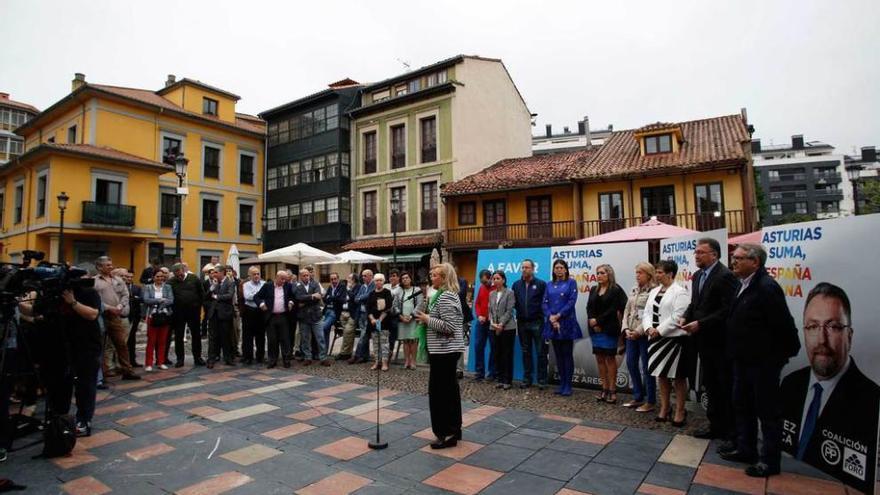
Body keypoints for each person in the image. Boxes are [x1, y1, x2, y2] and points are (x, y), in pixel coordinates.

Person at [780, 283, 878, 491]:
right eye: (813, 327)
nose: (821, 339)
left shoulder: (872, 400)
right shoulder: (790, 384)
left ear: (849, 335)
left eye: (833, 326)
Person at [720, 243, 799, 478]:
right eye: (733, 258)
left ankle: (769, 460)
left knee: (767, 411)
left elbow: (783, 324)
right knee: (742, 404)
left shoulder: (766, 287)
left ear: (755, 262)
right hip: (741, 359)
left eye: (739, 258)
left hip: (763, 361)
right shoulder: (742, 285)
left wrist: (778, 357)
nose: (733, 262)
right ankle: (746, 448)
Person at [680, 238, 739, 443]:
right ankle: (715, 426)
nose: (696, 256)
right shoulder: (697, 276)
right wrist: (686, 317)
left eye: (701, 252)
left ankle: (730, 431)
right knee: (711, 384)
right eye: (695, 252)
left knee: (723, 384)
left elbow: (728, 309)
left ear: (714, 254)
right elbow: (695, 303)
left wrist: (701, 323)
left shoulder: (725, 276)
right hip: (701, 341)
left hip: (719, 341)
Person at [414, 263, 467, 449]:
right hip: (440, 351)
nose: (431, 278)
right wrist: (425, 299)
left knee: (440, 394)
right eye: (431, 275)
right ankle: (453, 429)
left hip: (445, 351)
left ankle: (446, 433)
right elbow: (416, 313)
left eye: (435, 275)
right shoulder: (436, 296)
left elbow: (451, 327)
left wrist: (428, 319)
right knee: (448, 392)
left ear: (444, 278)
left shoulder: (446, 297)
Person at [644, 260, 690, 427]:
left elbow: (679, 315)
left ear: (670, 274)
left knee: (677, 376)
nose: (657, 275)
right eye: (656, 272)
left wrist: (660, 330)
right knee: (661, 375)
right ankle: (665, 407)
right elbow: (647, 312)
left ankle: (680, 410)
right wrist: (649, 327)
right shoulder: (654, 291)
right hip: (655, 339)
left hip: (673, 339)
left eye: (660, 272)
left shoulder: (680, 291)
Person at [93, 256, 140, 381]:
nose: (111, 266)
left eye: (111, 264)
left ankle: (127, 371)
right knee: (101, 345)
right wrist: (108, 307)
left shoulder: (118, 279)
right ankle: (103, 373)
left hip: (115, 316)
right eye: (107, 265)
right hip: (101, 316)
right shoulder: (95, 282)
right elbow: (95, 300)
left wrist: (120, 306)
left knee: (121, 344)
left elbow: (125, 294)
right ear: (99, 267)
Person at [586, 264, 627, 404]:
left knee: (610, 359)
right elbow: (589, 307)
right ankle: (603, 388)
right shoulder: (593, 289)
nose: (599, 275)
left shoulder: (616, 290)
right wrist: (592, 321)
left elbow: (615, 308)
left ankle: (612, 390)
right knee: (599, 359)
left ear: (609, 274)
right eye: (597, 273)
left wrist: (598, 321)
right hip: (595, 330)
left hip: (609, 329)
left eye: (602, 273)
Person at [621, 262, 657, 413]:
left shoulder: (654, 291)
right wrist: (626, 328)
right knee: (630, 363)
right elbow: (627, 311)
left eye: (640, 273)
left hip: (643, 334)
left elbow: (651, 314)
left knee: (647, 367)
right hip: (630, 334)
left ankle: (650, 400)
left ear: (648, 274)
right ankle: (637, 396)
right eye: (636, 273)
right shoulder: (634, 289)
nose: (637, 276)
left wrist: (638, 331)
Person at [543, 259, 581, 397]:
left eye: (561, 267)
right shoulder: (549, 284)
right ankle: (561, 384)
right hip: (552, 323)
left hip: (566, 322)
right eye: (556, 268)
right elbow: (544, 303)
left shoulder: (571, 283)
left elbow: (572, 301)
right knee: (558, 355)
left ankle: (568, 385)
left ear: (565, 269)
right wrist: (551, 317)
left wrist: (558, 315)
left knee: (567, 354)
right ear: (553, 270)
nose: (558, 270)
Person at [512, 260, 548, 389]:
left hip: (537, 322)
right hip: (522, 323)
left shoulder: (541, 284)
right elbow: (514, 303)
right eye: (522, 267)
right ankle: (527, 379)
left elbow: (545, 302)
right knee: (526, 351)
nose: (524, 269)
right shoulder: (516, 285)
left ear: (533, 269)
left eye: (527, 267)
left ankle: (542, 380)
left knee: (540, 352)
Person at [169, 263, 206, 367]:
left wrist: (199, 306)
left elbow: (201, 293)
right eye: (177, 276)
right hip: (178, 313)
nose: (179, 277)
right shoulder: (171, 282)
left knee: (196, 335)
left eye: (180, 274)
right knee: (179, 336)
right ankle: (180, 359)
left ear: (184, 270)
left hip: (193, 312)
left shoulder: (194, 278)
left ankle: (197, 357)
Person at [255, 271, 294, 368]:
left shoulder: (287, 286)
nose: (284, 281)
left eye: (285, 279)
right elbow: (257, 297)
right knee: (272, 340)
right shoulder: (267, 286)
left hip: (283, 316)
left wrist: (290, 302)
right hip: (271, 316)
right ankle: (272, 360)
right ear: (276, 277)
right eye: (282, 279)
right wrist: (261, 304)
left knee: (285, 339)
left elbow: (292, 296)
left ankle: (286, 360)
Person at [294, 268, 331, 366]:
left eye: (308, 275)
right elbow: (298, 297)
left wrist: (305, 301)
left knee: (320, 337)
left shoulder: (315, 284)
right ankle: (307, 357)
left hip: (316, 315)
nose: (306, 277)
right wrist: (311, 297)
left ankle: (323, 357)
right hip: (304, 317)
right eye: (304, 275)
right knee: (305, 338)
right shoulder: (297, 286)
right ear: (300, 276)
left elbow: (318, 297)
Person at [489, 271, 517, 390]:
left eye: (498, 278)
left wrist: (501, 324)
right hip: (494, 327)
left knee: (507, 354)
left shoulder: (510, 292)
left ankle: (507, 380)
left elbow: (509, 310)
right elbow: (490, 310)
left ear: (503, 280)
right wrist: (492, 322)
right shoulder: (491, 294)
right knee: (497, 353)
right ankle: (499, 379)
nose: (495, 281)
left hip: (507, 328)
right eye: (494, 278)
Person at [142, 269, 174, 371]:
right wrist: (160, 300)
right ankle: (148, 364)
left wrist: (159, 305)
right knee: (151, 341)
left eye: (162, 276)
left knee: (162, 341)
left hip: (164, 315)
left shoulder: (168, 287)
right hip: (152, 316)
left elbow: (171, 300)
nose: (160, 278)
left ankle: (160, 362)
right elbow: (146, 300)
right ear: (153, 277)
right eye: (157, 276)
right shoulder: (148, 287)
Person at [205, 266, 236, 368]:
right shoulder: (214, 283)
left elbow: (229, 295)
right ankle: (211, 359)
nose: (214, 275)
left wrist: (217, 297)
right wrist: (212, 288)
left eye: (216, 272)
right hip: (214, 313)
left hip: (225, 313)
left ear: (222, 273)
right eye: (213, 273)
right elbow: (207, 296)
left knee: (226, 337)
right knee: (213, 337)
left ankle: (228, 358)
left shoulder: (230, 282)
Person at [366, 273, 394, 371]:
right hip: (373, 322)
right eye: (376, 280)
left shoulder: (387, 292)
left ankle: (385, 363)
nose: (378, 282)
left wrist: (379, 320)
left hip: (384, 322)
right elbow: (368, 309)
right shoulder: (371, 293)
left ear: (383, 281)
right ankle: (376, 362)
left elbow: (388, 308)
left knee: (384, 343)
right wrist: (372, 319)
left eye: (380, 280)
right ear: (374, 282)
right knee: (375, 343)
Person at [472, 269, 495, 381]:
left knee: (493, 348)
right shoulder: (481, 288)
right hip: (481, 322)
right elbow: (477, 304)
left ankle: (491, 373)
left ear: (490, 278)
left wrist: (491, 317)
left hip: (492, 323)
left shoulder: (496, 288)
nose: (484, 284)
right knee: (478, 347)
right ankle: (479, 372)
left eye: (485, 282)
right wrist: (479, 315)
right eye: (482, 282)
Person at [241, 266, 266, 365]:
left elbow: (266, 296)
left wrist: (255, 295)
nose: (256, 276)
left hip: (261, 311)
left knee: (261, 335)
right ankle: (248, 357)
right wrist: (259, 295)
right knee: (248, 336)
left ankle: (260, 357)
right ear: (250, 275)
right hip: (249, 312)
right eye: (254, 274)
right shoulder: (246, 284)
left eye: (258, 274)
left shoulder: (264, 284)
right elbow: (247, 296)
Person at [397, 272, 422, 370]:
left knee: (413, 340)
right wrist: (401, 316)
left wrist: (411, 316)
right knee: (405, 341)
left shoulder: (417, 290)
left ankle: (413, 361)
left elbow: (420, 304)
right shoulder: (399, 291)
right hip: (402, 319)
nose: (405, 279)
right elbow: (395, 305)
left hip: (413, 319)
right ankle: (407, 360)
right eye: (403, 278)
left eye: (407, 277)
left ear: (411, 279)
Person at [350, 269, 374, 364]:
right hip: (361, 313)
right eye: (362, 276)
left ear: (370, 276)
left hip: (369, 314)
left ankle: (357, 355)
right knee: (365, 335)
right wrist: (361, 298)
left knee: (363, 336)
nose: (363, 277)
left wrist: (361, 298)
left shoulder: (373, 285)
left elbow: (369, 296)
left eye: (365, 276)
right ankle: (365, 356)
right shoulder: (362, 286)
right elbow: (356, 298)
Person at [121, 270, 143, 368]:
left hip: (134, 317)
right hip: (123, 316)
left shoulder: (137, 288)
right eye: (127, 277)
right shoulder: (121, 288)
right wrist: (133, 298)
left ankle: (133, 360)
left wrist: (133, 298)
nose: (129, 279)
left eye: (131, 277)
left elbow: (141, 299)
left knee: (132, 339)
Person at [322, 272, 346, 357]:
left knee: (324, 327)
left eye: (335, 279)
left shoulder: (342, 287)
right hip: (326, 311)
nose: (333, 281)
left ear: (338, 279)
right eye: (331, 279)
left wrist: (331, 297)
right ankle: (323, 353)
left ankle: (323, 352)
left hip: (334, 312)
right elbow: (324, 299)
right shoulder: (330, 287)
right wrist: (332, 297)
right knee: (326, 330)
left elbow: (341, 300)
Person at [336, 273, 360, 361]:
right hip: (343, 313)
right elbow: (338, 297)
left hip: (352, 314)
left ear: (354, 279)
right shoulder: (344, 287)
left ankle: (343, 353)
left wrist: (349, 289)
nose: (347, 279)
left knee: (347, 332)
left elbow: (354, 298)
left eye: (349, 278)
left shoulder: (358, 287)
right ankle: (347, 353)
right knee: (348, 335)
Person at [456, 274, 473, 379]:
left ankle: (459, 369)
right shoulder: (443, 283)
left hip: (460, 316)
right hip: (446, 316)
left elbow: (461, 295)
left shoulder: (462, 281)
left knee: (458, 341)